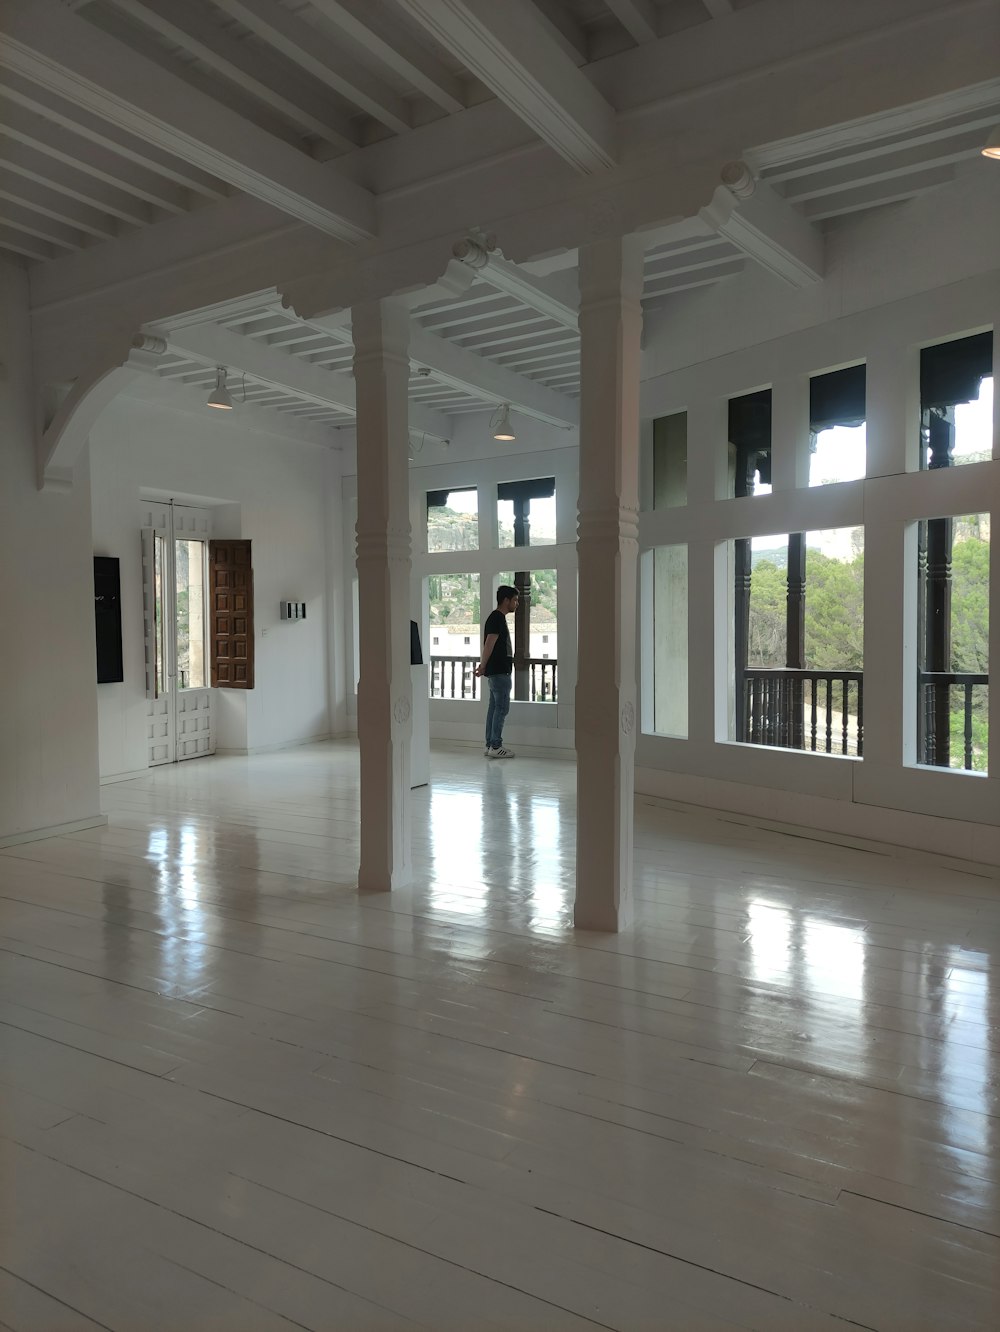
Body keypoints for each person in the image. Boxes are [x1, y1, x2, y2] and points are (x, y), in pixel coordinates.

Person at [475, 584, 518, 758]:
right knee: (501, 708)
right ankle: (495, 745)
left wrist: (484, 665)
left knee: (494, 708)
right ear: (506, 600)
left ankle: (490, 745)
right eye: (515, 600)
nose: (517, 604)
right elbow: (489, 643)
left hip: (498, 671)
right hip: (499, 671)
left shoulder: (497, 618)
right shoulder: (497, 618)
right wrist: (483, 665)